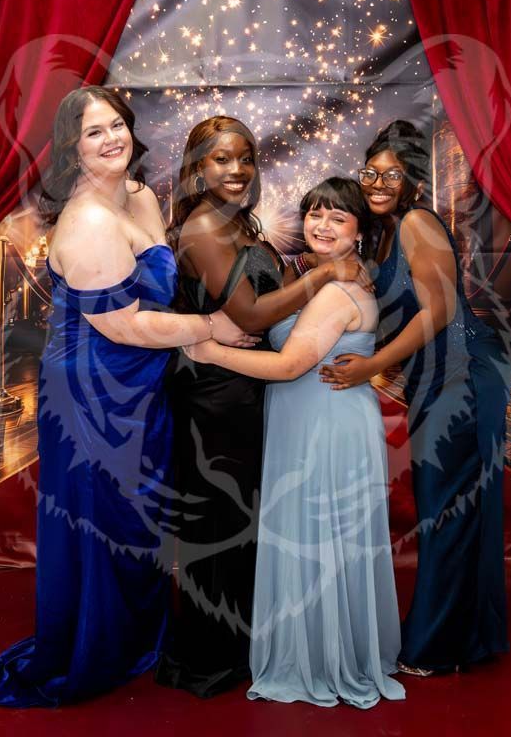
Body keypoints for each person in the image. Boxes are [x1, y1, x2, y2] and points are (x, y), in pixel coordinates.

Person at [0, 86, 253, 707]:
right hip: (93, 392)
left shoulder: (138, 193)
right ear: (73, 149)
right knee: (105, 516)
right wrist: (212, 328)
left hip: (142, 380)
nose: (112, 139)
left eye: (118, 125)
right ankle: (97, 645)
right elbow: (124, 324)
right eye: (94, 132)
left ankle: (137, 631)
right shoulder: (89, 222)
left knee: (140, 512)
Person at [154, 119, 372, 698]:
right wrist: (326, 272)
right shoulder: (203, 225)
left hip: (246, 392)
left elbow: (266, 311)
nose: (236, 170)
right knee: (220, 523)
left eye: (245, 159)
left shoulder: (239, 223)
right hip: (214, 395)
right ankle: (208, 658)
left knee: (244, 523)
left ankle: (242, 644)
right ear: (197, 166)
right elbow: (251, 315)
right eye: (221, 160)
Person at [185, 178, 406, 708]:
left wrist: (210, 352)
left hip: (324, 428)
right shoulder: (315, 277)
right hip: (315, 419)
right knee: (321, 542)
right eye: (315, 214)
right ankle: (325, 647)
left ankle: (323, 660)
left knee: (319, 541)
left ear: (359, 232)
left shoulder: (337, 290)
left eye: (337, 219)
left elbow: (288, 365)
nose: (322, 226)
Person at [318, 121, 511, 675]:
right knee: (450, 507)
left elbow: (442, 310)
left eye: (391, 174)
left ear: (413, 181)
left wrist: (374, 366)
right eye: (371, 172)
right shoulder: (389, 230)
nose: (378, 183)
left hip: (463, 377)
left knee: (446, 509)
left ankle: (435, 646)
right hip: (437, 378)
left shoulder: (418, 223)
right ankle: (464, 636)